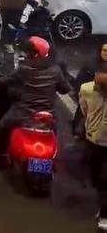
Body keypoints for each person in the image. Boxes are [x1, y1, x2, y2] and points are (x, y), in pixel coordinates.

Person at [0, 36, 70, 168]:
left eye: (28, 52)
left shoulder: (24, 69)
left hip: (23, 113)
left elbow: (5, 81)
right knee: (53, 131)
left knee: (3, 126)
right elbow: (64, 89)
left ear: (36, 54)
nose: (26, 54)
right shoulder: (56, 70)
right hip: (47, 113)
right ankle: (52, 160)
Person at [79, 66, 107, 230]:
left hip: (97, 140)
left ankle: (105, 214)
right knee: (96, 177)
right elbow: (84, 110)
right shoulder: (86, 89)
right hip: (94, 141)